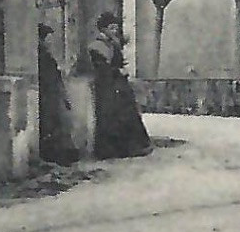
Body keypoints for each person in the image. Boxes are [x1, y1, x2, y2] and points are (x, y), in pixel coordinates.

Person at [84, 11, 153, 160]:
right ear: (103, 29)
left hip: (119, 84)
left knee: (128, 113)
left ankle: (131, 148)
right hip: (106, 85)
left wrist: (121, 70)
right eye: (112, 27)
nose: (115, 30)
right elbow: (101, 69)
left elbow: (119, 62)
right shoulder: (95, 47)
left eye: (116, 27)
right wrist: (117, 71)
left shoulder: (114, 44)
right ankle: (109, 151)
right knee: (109, 116)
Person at [36, 24, 79, 166]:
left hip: (53, 94)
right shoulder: (41, 56)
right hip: (48, 95)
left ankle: (61, 153)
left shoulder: (46, 55)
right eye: (48, 38)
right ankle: (54, 154)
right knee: (51, 124)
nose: (50, 42)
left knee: (57, 124)